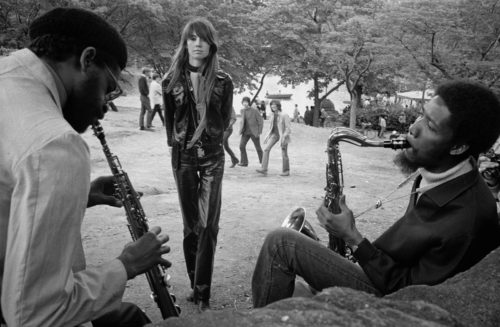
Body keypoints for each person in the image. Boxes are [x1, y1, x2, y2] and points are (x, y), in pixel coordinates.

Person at [252, 80, 500, 308]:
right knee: (293, 286)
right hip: (385, 280)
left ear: (458, 146)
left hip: (396, 302)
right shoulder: (440, 173)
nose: (413, 129)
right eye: (422, 116)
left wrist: (352, 238)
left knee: (281, 244)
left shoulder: (467, 217)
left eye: (431, 126)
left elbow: (410, 293)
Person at [0, 8, 171, 327]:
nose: (106, 104)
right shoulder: (55, 144)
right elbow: (35, 316)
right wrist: (127, 265)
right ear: (86, 59)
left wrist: (79, 196)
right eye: (108, 87)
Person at [162, 17, 233, 312]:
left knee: (208, 227)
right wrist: (180, 144)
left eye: (203, 38)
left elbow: (225, 118)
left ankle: (202, 293)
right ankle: (195, 284)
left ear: (211, 43)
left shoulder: (223, 81)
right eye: (192, 38)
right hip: (184, 159)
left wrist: (211, 138)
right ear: (185, 43)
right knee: (191, 228)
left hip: (213, 158)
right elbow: (170, 124)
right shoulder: (171, 81)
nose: (198, 43)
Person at [256, 100, 291, 177]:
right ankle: (264, 169)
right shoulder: (272, 115)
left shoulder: (284, 115)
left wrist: (284, 136)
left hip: (283, 136)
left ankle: (286, 171)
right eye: (271, 105)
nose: (273, 106)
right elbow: (271, 127)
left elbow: (288, 129)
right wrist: (267, 137)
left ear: (278, 105)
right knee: (266, 149)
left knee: (284, 153)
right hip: (274, 135)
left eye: (274, 104)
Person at [238, 97, 264, 166]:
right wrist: (240, 130)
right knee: (241, 146)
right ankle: (244, 162)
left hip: (254, 132)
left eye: (246, 102)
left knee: (258, 148)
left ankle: (263, 162)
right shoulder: (242, 111)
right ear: (242, 102)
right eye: (244, 102)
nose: (245, 103)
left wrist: (259, 131)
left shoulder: (254, 110)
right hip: (245, 132)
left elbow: (260, 121)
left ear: (249, 102)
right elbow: (242, 121)